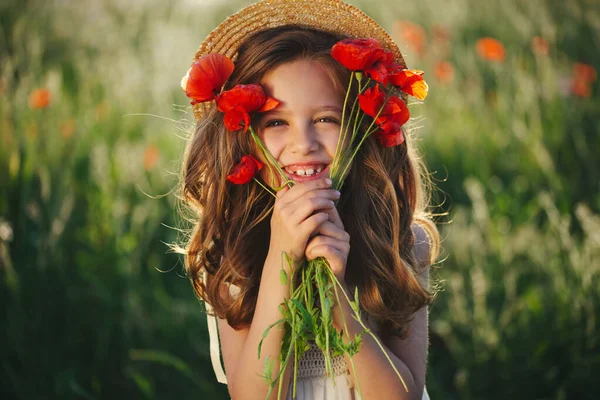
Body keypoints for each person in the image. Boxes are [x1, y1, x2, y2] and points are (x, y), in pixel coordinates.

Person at [179, 1, 440, 399]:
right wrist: (281, 259)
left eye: (325, 119)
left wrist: (336, 294)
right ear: (243, 134)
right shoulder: (232, 257)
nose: (304, 144)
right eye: (276, 122)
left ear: (359, 126)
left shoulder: (400, 242)